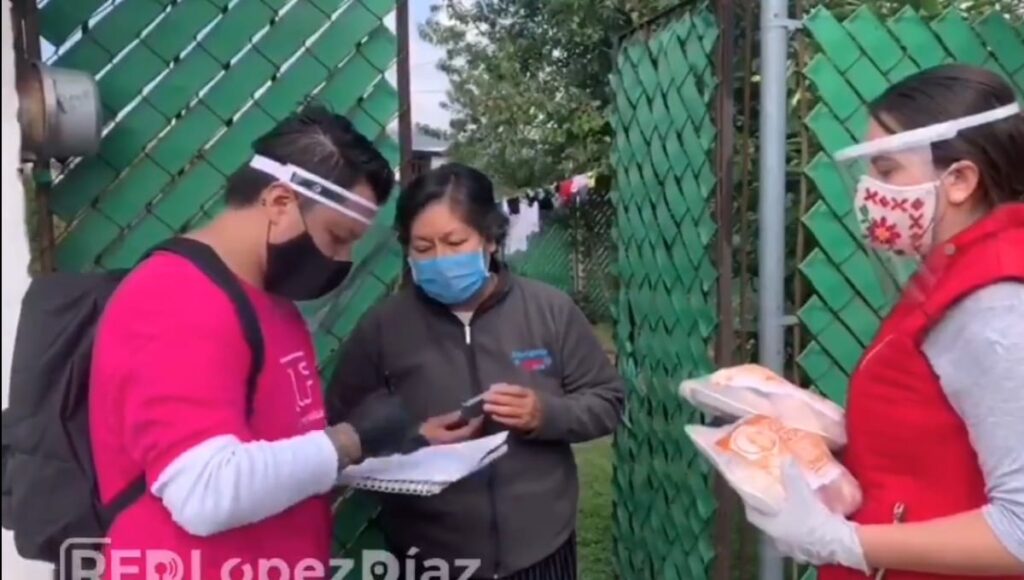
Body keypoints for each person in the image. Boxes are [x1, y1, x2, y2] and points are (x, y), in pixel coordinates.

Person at [89, 104, 421, 579]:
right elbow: (203, 492)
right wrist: (349, 439)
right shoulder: (177, 297)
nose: (343, 259)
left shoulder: (275, 306)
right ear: (281, 202)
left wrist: (381, 448)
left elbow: (277, 454)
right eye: (338, 236)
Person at [740, 64, 1023, 578]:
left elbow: (1020, 533)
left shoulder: (996, 303)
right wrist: (830, 429)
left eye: (887, 171)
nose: (869, 192)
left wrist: (843, 540)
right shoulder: (955, 271)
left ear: (959, 179)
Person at [327, 163, 625, 579]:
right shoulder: (384, 328)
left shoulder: (549, 311)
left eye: (454, 241)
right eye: (423, 247)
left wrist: (547, 414)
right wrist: (412, 437)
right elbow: (341, 429)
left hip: (539, 549)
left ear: (489, 239)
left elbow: (607, 401)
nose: (440, 259)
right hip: (428, 555)